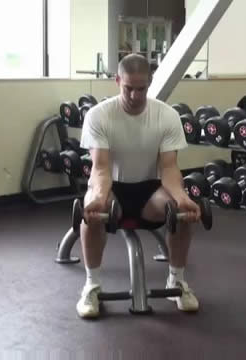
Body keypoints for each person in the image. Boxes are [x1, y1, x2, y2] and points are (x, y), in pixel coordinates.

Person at [76, 53, 202, 319]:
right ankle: (92, 286)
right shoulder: (99, 115)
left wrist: (182, 198)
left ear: (150, 82)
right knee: (91, 213)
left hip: (149, 191)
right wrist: (98, 197)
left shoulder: (166, 116)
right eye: (128, 88)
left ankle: (176, 280)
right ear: (117, 80)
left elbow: (169, 168)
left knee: (180, 212)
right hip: (112, 187)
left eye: (141, 88)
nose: (135, 95)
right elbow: (100, 169)